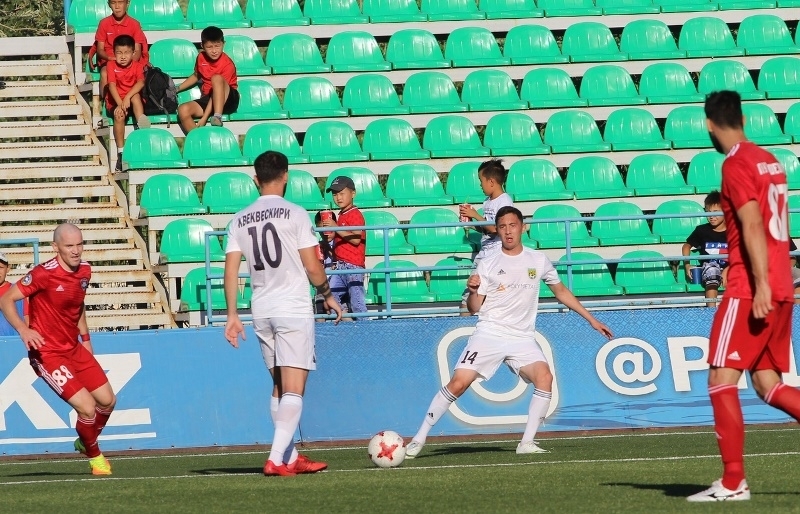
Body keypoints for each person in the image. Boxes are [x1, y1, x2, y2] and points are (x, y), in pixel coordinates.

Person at [405, 206, 613, 459]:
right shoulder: (488, 263)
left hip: (522, 338)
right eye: (502, 227)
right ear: (497, 230)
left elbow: (560, 291)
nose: (508, 231)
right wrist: (473, 291)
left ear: (523, 228)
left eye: (512, 225)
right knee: (458, 383)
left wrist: (591, 320)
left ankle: (526, 442)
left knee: (544, 377)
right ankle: (419, 438)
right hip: (489, 333)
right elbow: (474, 308)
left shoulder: (538, 260)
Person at [687, 91, 800, 502]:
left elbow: (752, 224)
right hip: (782, 283)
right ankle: (733, 481)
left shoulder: (735, 163)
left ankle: (734, 481)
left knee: (720, 379)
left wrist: (760, 284)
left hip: (751, 287)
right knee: (767, 383)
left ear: (709, 124)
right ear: (743, 119)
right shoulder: (770, 160)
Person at [224, 151, 342, 477]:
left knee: (278, 386)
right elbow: (312, 266)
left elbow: (231, 270)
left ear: (255, 179)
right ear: (286, 175)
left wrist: (232, 314)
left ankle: (290, 457)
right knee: (293, 388)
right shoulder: (295, 214)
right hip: (291, 308)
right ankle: (276, 459)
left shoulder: (240, 219)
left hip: (261, 309)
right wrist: (327, 295)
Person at [0, 224, 116, 476]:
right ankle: (95, 457)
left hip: (73, 348)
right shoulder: (43, 274)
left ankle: (85, 440)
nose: (76, 251)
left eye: (79, 244)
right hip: (48, 353)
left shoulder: (85, 270)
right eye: (69, 246)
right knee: (87, 407)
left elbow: (78, 304)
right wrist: (23, 329)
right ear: (55, 247)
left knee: (108, 401)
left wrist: (86, 338)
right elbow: (6, 298)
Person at [459, 159, 514, 315]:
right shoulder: (487, 202)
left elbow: (498, 228)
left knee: (475, 293)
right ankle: (465, 324)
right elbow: (486, 228)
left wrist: (475, 215)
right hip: (485, 253)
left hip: (497, 253)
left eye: (481, 181)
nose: (480, 185)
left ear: (491, 182)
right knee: (472, 293)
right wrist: (470, 223)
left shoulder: (504, 202)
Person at [176, 26, 239, 133]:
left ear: (223, 44)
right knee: (182, 109)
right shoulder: (201, 57)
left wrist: (205, 117)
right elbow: (196, 75)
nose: (214, 51)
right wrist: (177, 88)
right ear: (202, 46)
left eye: (217, 46)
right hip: (208, 98)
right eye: (209, 47)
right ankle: (197, 139)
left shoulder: (227, 64)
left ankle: (217, 116)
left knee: (216, 78)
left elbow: (218, 91)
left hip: (228, 99)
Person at [321, 176, 367, 317]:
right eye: (335, 194)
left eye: (342, 193)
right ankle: (346, 320)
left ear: (353, 193)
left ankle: (366, 327)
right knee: (331, 298)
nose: (338, 198)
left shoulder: (355, 214)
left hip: (353, 266)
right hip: (340, 265)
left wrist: (335, 227)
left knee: (357, 303)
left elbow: (356, 239)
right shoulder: (341, 214)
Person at [106, 35, 149, 173]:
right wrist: (120, 104)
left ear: (133, 53)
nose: (123, 56)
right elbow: (112, 86)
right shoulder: (111, 65)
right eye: (119, 53)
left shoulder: (137, 66)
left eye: (126, 52)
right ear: (114, 53)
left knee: (135, 96)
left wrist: (127, 97)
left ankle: (142, 123)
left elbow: (141, 83)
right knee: (119, 115)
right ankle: (121, 153)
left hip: (132, 101)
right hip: (116, 101)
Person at [94, 0, 148, 106]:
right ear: (109, 4)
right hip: (111, 61)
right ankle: (107, 104)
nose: (117, 6)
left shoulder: (134, 24)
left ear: (127, 3)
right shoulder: (104, 23)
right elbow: (100, 49)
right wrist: (110, 59)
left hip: (129, 61)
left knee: (136, 73)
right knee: (105, 72)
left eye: (120, 2)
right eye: (113, 3)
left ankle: (132, 102)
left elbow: (137, 51)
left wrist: (128, 64)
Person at [682, 191, 728, 307]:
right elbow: (686, 246)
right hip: (709, 269)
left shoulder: (734, 231)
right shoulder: (701, 230)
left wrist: (728, 269)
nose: (711, 216)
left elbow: (741, 254)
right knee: (712, 271)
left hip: (730, 268)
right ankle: (711, 312)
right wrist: (687, 264)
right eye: (708, 212)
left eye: (716, 212)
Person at [313, 210, 343, 321]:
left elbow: (341, 259)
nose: (326, 233)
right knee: (319, 309)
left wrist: (328, 247)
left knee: (342, 311)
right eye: (322, 230)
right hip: (323, 284)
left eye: (329, 229)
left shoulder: (340, 242)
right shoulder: (316, 245)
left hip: (338, 284)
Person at [0, 251, 29, 330]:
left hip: (15, 337)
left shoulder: (17, 291)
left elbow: (27, 318)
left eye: (0, 267)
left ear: (8, 268)